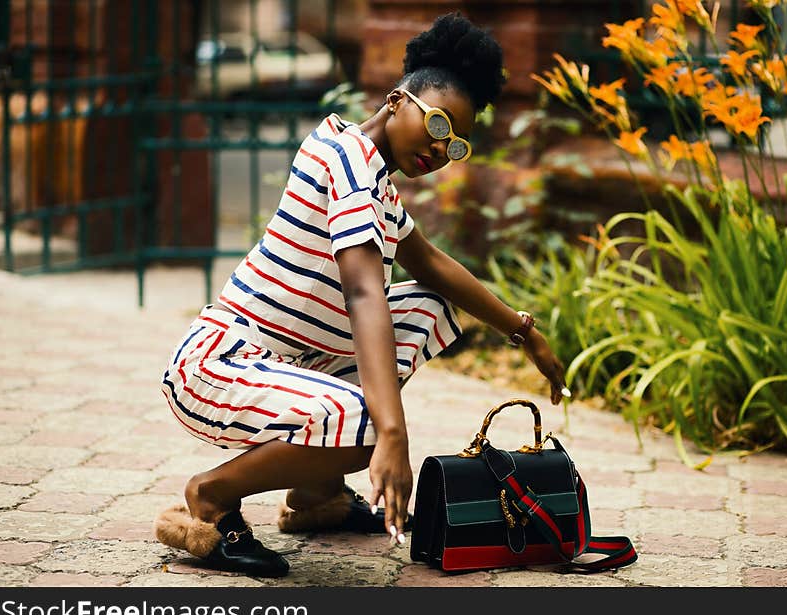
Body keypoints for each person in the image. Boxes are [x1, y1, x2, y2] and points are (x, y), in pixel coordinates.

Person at [153, 12, 567, 577]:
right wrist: (392, 435)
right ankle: (211, 496)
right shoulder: (347, 165)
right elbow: (365, 293)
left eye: (457, 143)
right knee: (367, 423)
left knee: (429, 305)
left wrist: (524, 332)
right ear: (398, 100)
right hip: (220, 364)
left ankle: (317, 492)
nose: (443, 150)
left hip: (284, 361)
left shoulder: (374, 181)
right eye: (440, 126)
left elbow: (434, 266)